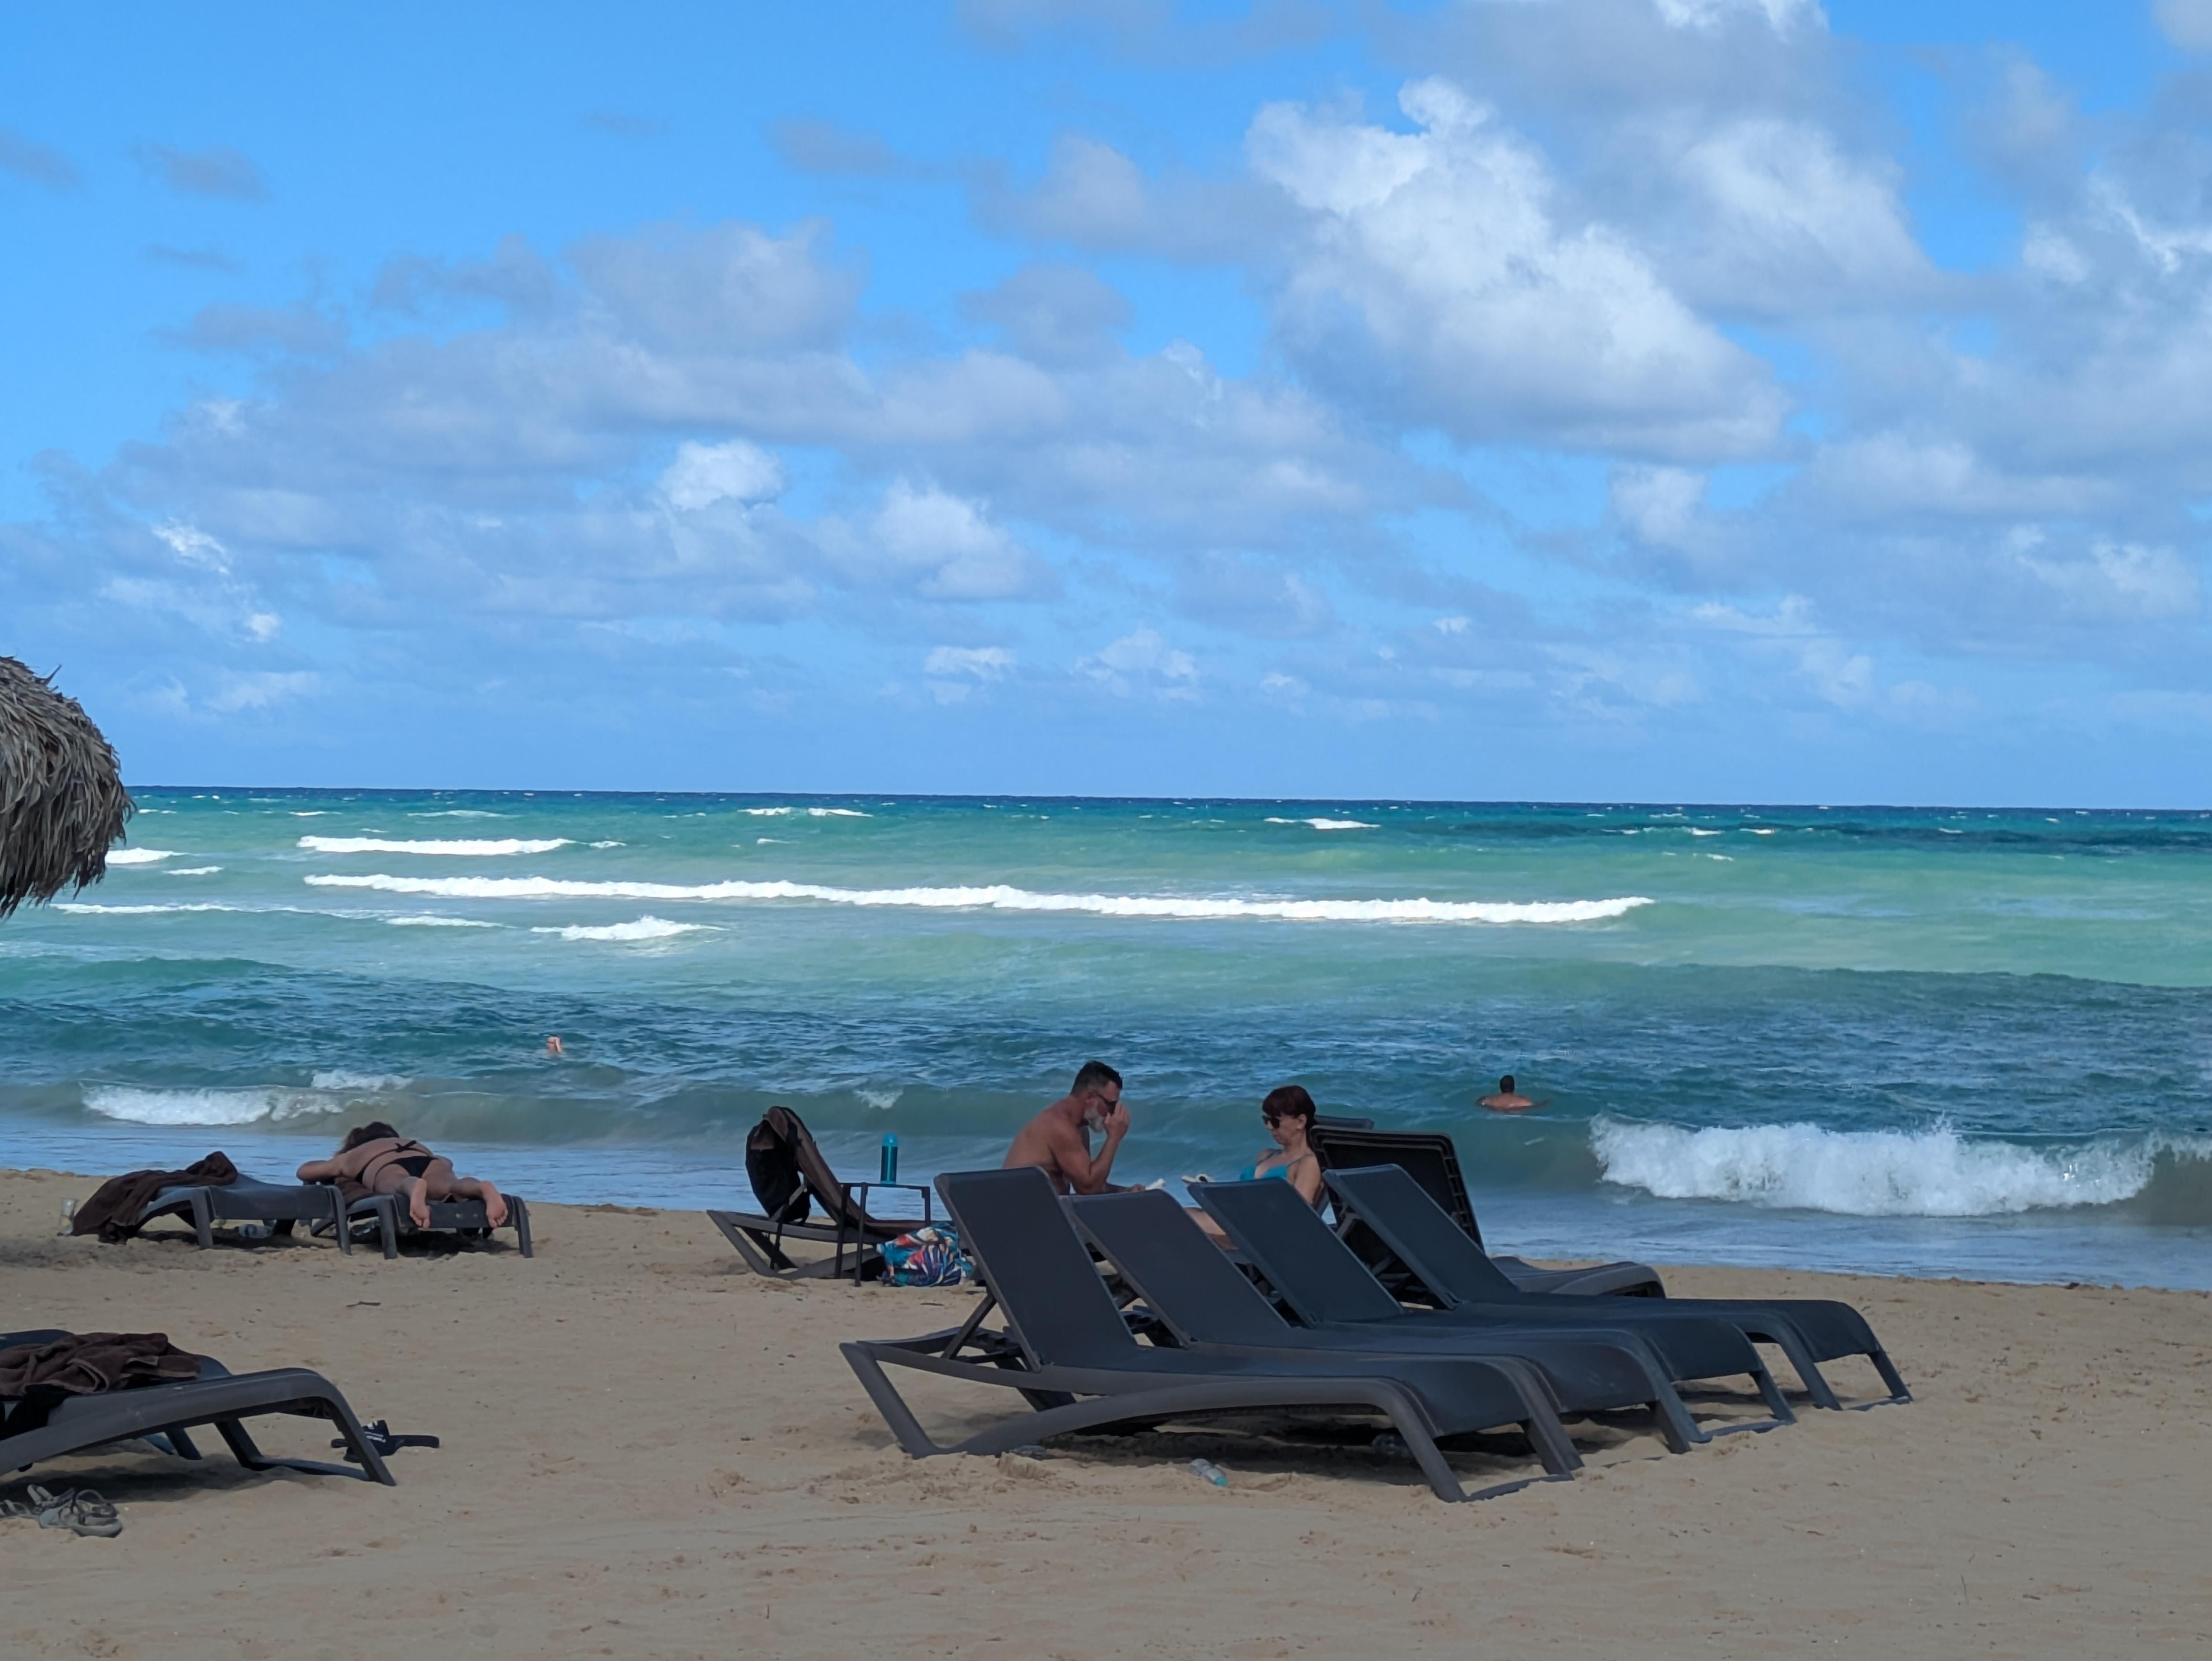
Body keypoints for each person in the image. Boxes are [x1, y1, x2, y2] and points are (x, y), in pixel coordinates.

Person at [297, 1122, 509, 1229]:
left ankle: (412, 1186)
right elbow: (447, 1162)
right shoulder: (411, 1143)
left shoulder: (354, 1154)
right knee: (451, 1185)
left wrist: (338, 1163)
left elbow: (304, 1172)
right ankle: (480, 1187)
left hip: (384, 1163)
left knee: (395, 1182)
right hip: (429, 1160)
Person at [1189, 1084, 1325, 1243]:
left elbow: (1298, 1217)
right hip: (1237, 1221)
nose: (1269, 1127)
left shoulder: (1308, 1163)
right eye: (1266, 1120)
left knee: (1178, 1219)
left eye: (1275, 1121)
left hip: (1255, 1234)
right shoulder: (1266, 1155)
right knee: (1174, 1212)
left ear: (1301, 1122)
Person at [1002, 1061, 1129, 1196]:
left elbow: (1091, 1183)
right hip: (1018, 1205)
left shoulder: (1080, 1129)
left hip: (1040, 1204)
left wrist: (1124, 1191)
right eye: (1111, 1106)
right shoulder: (1059, 1125)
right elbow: (1088, 1188)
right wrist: (1114, 1138)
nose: (1112, 1113)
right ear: (1090, 1098)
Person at [1478, 1074, 1547, 1113]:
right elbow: (1536, 1106)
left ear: (1500, 1087)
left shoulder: (1488, 1100)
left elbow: (1478, 1103)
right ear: (1513, 1087)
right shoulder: (1524, 1102)